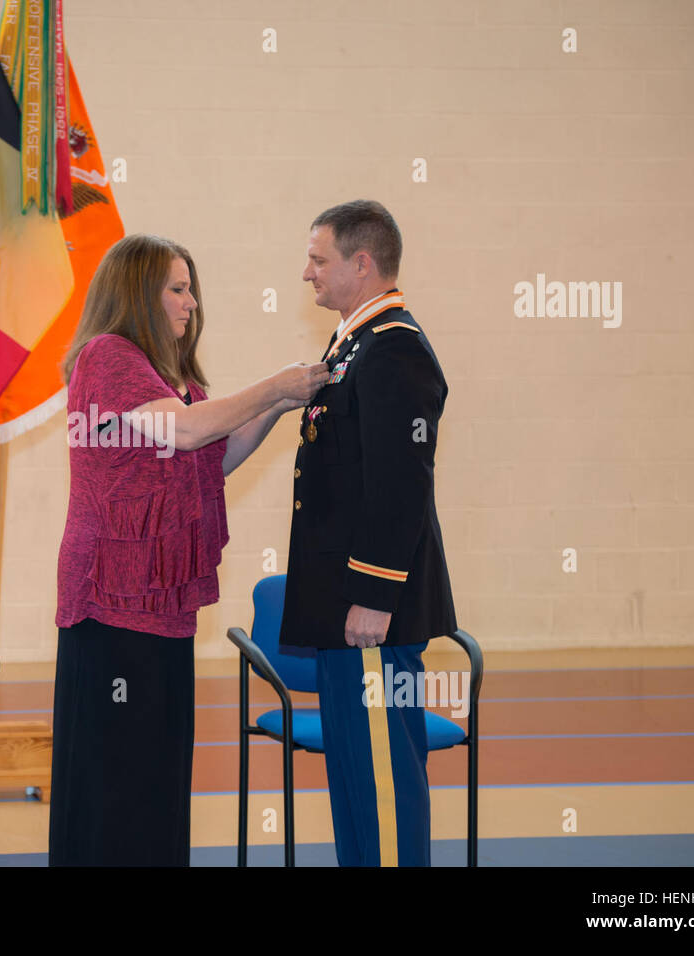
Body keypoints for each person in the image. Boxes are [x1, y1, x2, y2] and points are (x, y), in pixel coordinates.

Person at [50, 233, 328, 866]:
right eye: (178, 289)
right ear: (139, 294)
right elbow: (184, 428)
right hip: (113, 597)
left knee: (156, 763)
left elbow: (214, 454)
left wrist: (285, 401)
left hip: (160, 597)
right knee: (116, 769)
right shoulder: (108, 356)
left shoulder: (166, 375)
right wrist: (271, 385)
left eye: (190, 288)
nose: (191, 303)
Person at [278, 200, 457, 866]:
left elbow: (400, 482)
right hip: (344, 611)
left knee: (383, 781)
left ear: (361, 263)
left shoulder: (394, 349)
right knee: (355, 778)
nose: (306, 273)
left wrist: (376, 595)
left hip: (370, 613)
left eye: (318, 259)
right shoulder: (354, 345)